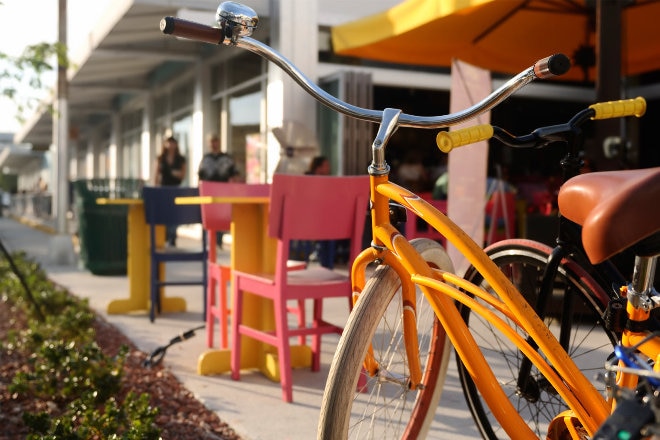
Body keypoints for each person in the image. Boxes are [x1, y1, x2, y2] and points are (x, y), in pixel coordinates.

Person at [155, 136, 186, 246]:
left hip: (176, 189)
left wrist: (175, 173)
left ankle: (172, 236)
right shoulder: (161, 158)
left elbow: (183, 175)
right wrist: (156, 188)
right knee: (164, 213)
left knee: (174, 214)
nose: (171, 145)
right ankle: (166, 236)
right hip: (164, 189)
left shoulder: (180, 159)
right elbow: (157, 174)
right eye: (169, 143)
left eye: (173, 143)